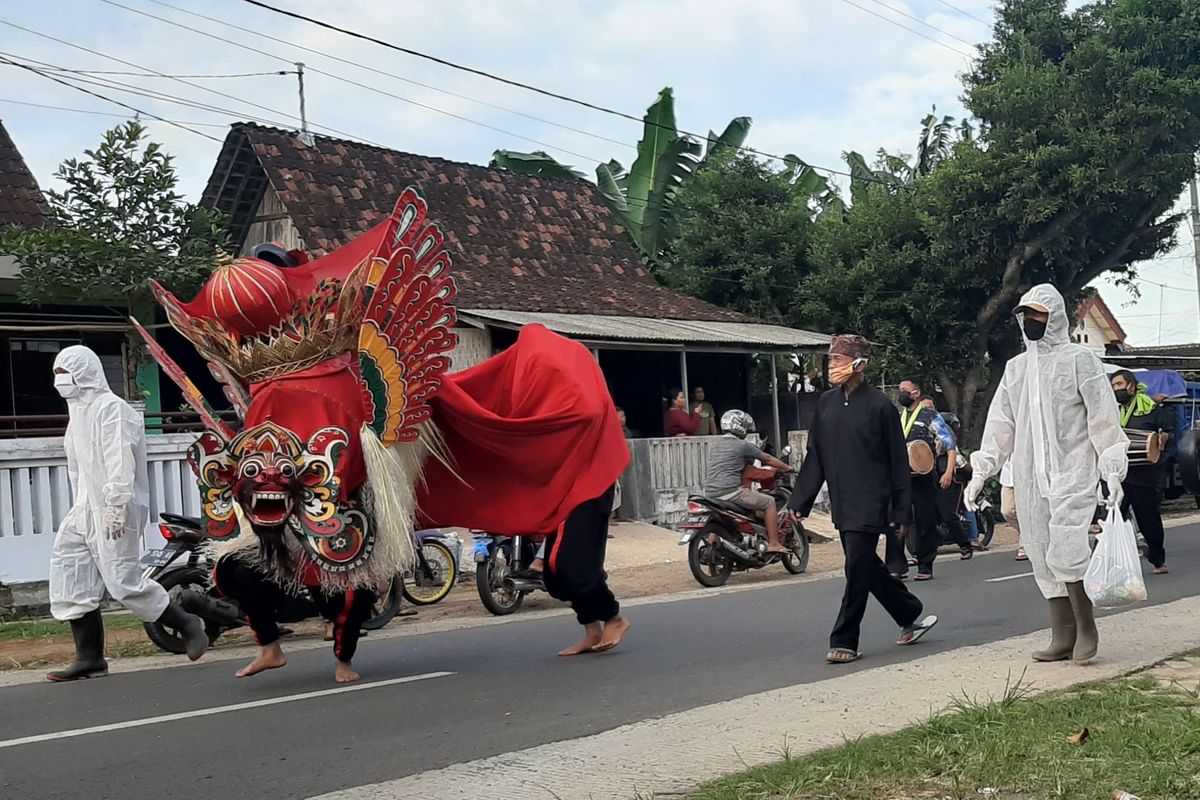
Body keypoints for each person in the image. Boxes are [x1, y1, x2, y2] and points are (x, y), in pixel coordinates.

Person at [966, 284, 1127, 665]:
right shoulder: (1017, 368)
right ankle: (1062, 633)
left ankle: (1086, 626)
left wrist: (1112, 468)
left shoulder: (1079, 361)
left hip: (1073, 470)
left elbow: (1103, 419)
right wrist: (981, 469)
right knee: (1039, 550)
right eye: (1026, 315)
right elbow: (1001, 423)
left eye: (1038, 314)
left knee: (1068, 548)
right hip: (1029, 475)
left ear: (1054, 316)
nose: (1031, 321)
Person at [46, 346, 208, 682]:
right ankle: (89, 658)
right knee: (70, 574)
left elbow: (120, 461)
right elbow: (78, 467)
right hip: (84, 509)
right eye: (57, 373)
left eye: (65, 373)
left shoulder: (112, 410)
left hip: (114, 508)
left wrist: (116, 506)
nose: (59, 381)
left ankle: (186, 623)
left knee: (122, 581)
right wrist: (82, 508)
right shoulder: (77, 412)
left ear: (84, 372)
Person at [789, 335, 937, 664]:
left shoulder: (880, 407)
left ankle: (844, 638)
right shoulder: (826, 404)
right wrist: (800, 502)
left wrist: (901, 509)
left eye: (838, 359)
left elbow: (899, 463)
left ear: (859, 364)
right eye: (830, 360)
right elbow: (816, 457)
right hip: (843, 500)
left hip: (873, 500)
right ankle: (908, 610)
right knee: (865, 565)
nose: (831, 366)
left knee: (855, 567)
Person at [213, 556, 376, 683]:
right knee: (237, 569)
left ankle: (344, 660)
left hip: (327, 531)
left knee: (348, 595)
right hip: (280, 530)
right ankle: (269, 649)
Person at [541, 486, 630, 656]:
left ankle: (613, 617)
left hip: (591, 486)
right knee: (554, 576)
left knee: (578, 568)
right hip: (561, 489)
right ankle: (592, 631)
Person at [897, 378, 972, 580]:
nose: (900, 392)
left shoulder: (930, 416)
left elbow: (949, 445)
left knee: (925, 521)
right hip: (902, 477)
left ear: (916, 393)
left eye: (905, 390)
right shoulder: (898, 416)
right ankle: (897, 565)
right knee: (898, 522)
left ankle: (925, 565)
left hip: (923, 476)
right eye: (899, 389)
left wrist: (948, 472)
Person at [702, 410, 793, 553]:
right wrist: (788, 467)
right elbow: (767, 459)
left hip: (711, 493)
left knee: (721, 516)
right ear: (739, 426)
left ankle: (714, 542)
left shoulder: (716, 445)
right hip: (730, 492)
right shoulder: (742, 445)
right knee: (769, 502)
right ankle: (774, 543)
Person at [1110, 369, 1172, 574]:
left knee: (1148, 519)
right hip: (1117, 474)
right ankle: (1107, 561)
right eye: (1113, 386)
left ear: (1131, 386)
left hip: (1144, 474)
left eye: (1118, 384)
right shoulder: (1111, 410)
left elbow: (1166, 431)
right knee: (1112, 518)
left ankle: (1157, 560)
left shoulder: (1151, 408)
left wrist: (1163, 438)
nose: (1115, 389)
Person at [1000, 462, 1028, 561]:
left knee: (1027, 513)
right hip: (1009, 477)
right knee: (1007, 511)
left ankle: (1025, 546)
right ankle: (1028, 536)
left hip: (1029, 476)